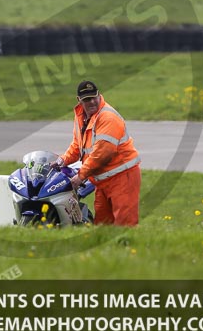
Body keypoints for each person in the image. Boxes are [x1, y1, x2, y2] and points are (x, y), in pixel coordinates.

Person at [56, 80, 141, 226]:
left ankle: (128, 247)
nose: (92, 102)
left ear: (99, 94)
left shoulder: (107, 117)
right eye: (87, 99)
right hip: (102, 181)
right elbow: (78, 145)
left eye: (94, 97)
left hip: (122, 177)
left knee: (125, 224)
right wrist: (61, 161)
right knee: (102, 225)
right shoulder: (81, 116)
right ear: (79, 101)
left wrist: (81, 176)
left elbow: (102, 153)